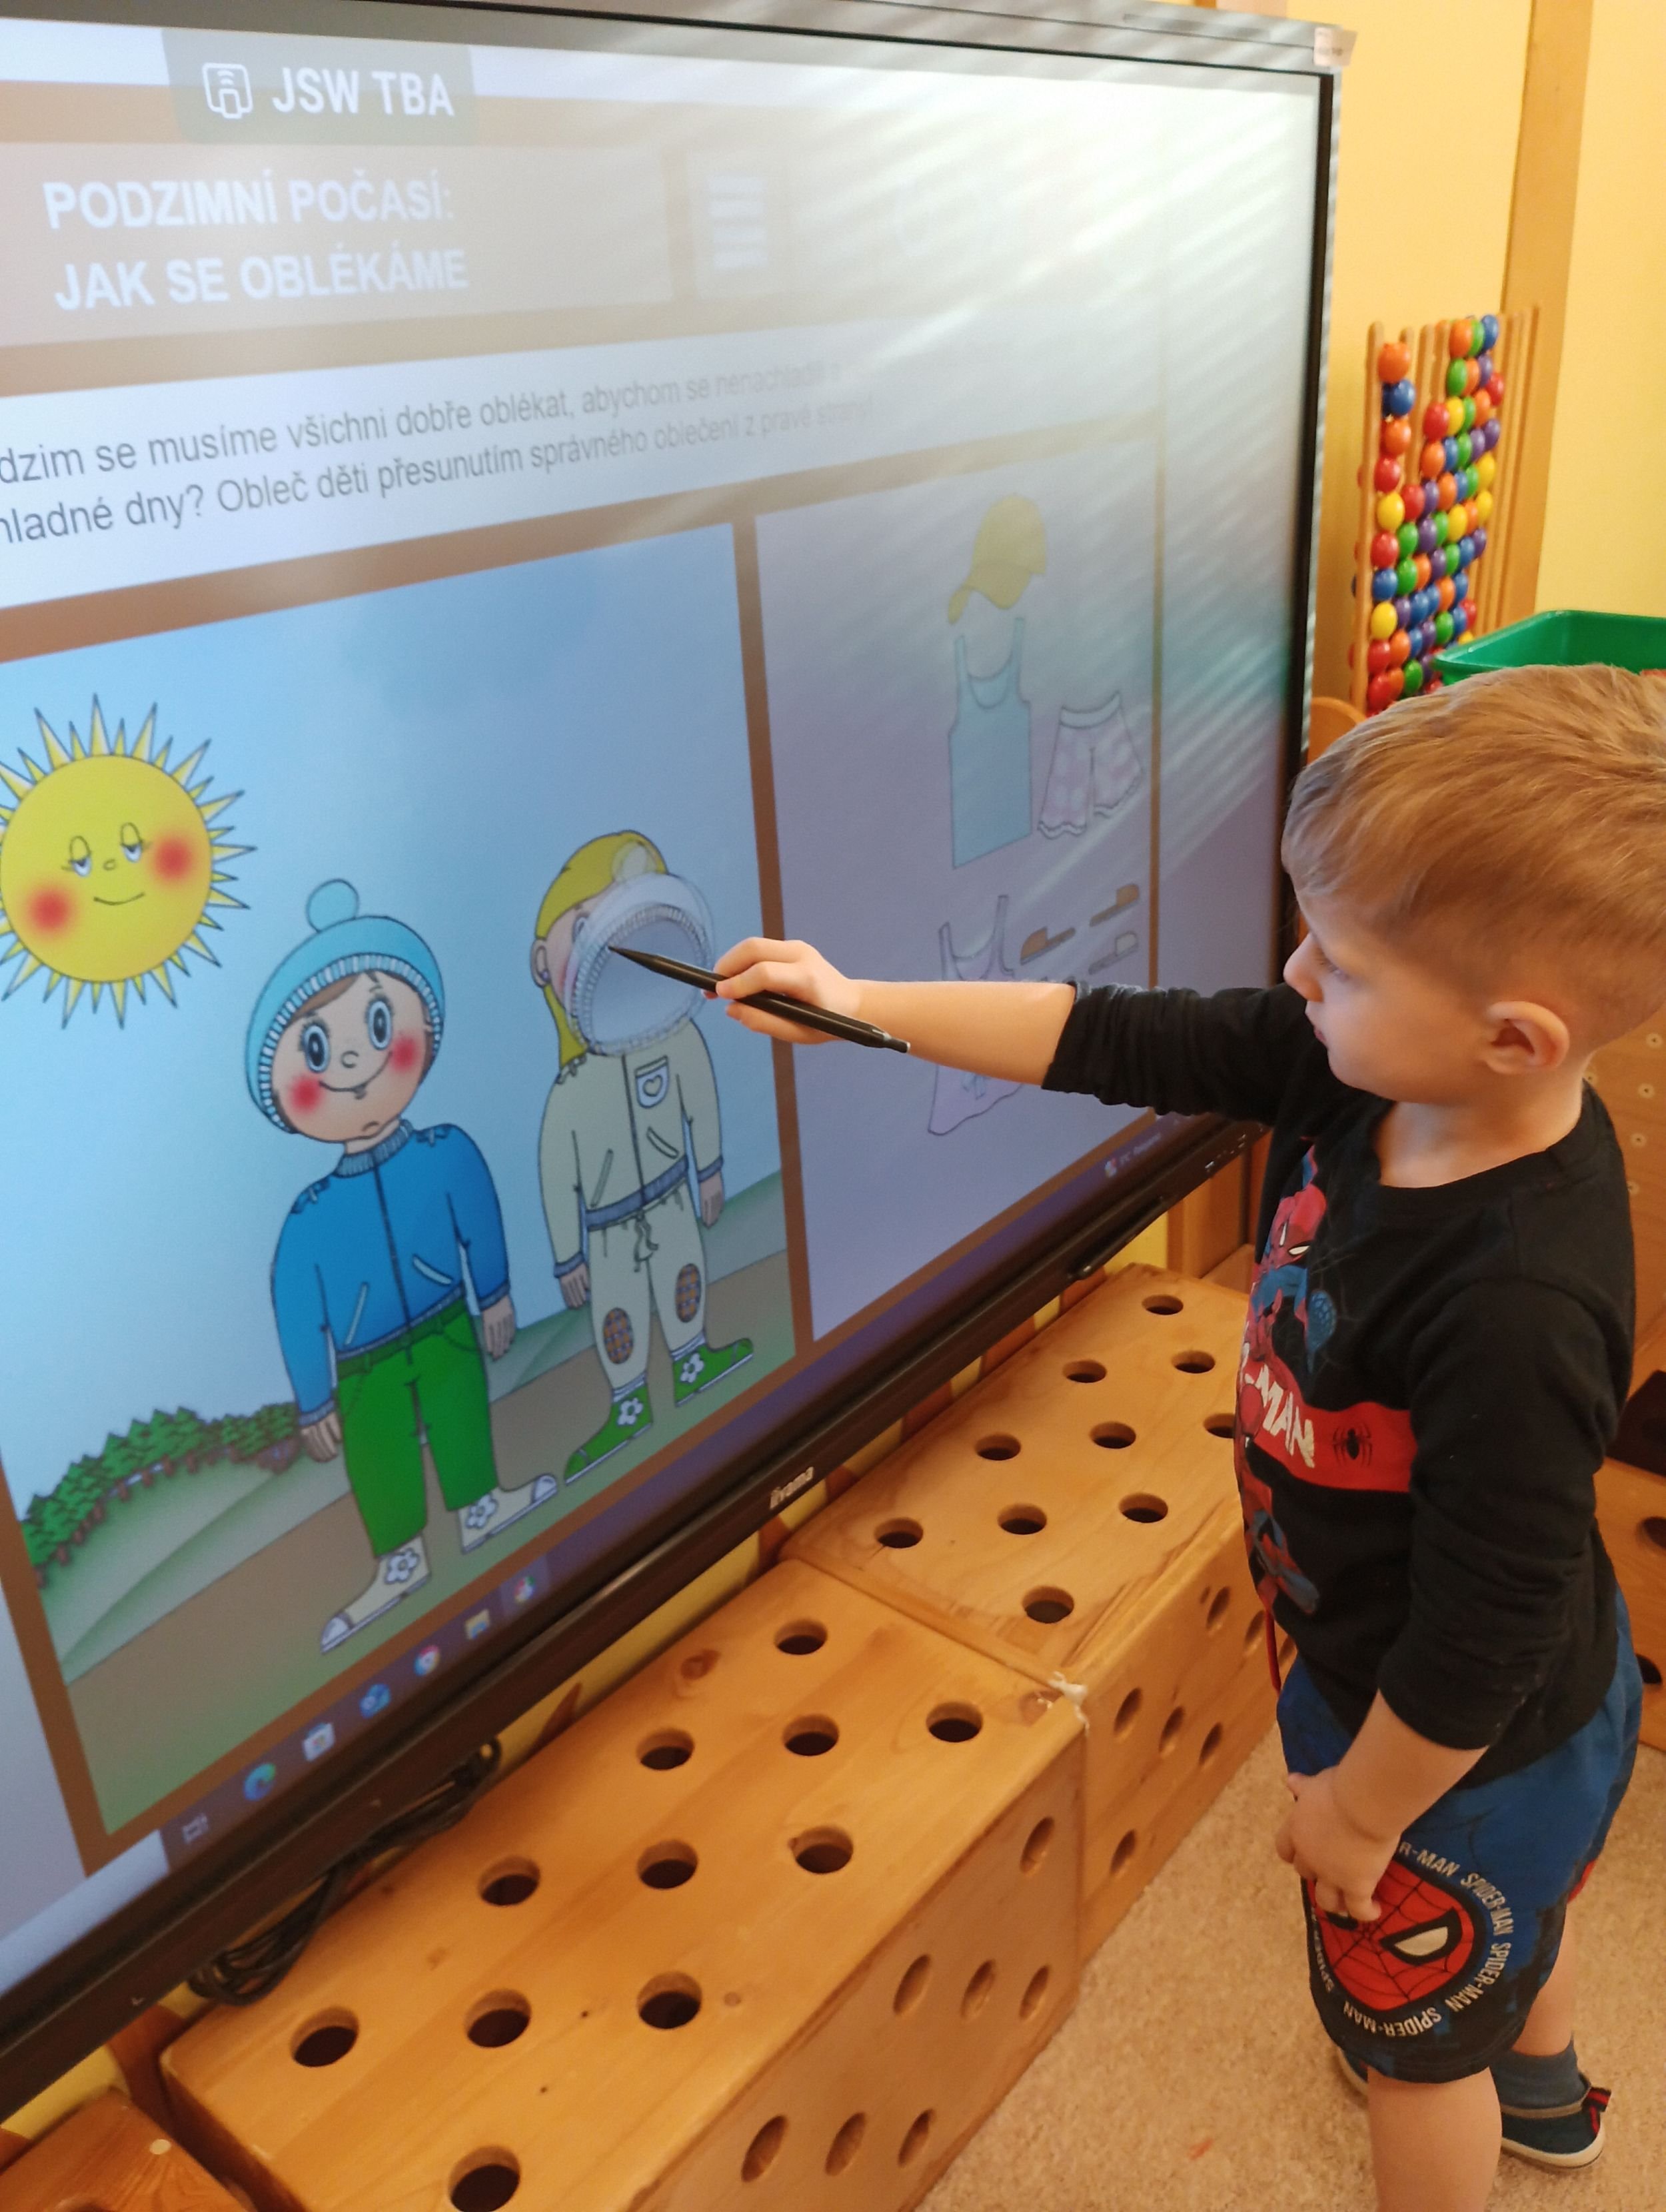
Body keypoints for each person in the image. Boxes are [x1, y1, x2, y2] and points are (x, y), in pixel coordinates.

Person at [710, 663, 1656, 2212]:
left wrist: (1361, 1809)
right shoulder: (1363, 1067)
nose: (1295, 972)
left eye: (1339, 960)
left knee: (1416, 2050)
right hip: (1466, 1692)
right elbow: (1110, 1035)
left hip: (1456, 1747)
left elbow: (1482, 1631)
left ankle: (1481, 2092)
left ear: (1511, 1040)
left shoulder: (1515, 1306)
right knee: (1510, 1936)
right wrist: (862, 1006)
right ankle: (1543, 2092)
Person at [248, 880, 554, 1655]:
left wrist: (494, 1293)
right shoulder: (309, 1219)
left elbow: (477, 1215)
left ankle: (481, 1506)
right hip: (364, 1363)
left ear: (422, 1030)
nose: (355, 1059)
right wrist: (314, 1399)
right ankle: (400, 1559)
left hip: (445, 1320)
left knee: (461, 1413)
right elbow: (296, 1306)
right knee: (378, 1454)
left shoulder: (445, 1153)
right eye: (318, 1048)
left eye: (379, 1023)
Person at [530, 832, 752, 1481]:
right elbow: (557, 1176)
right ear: (543, 964)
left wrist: (709, 1169)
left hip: (672, 1192)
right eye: (586, 927)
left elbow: (699, 1100)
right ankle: (628, 1405)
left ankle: (691, 1360)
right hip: (607, 1228)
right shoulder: (570, 1091)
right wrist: (567, 1255)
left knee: (685, 1276)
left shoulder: (676, 1040)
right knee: (618, 1315)